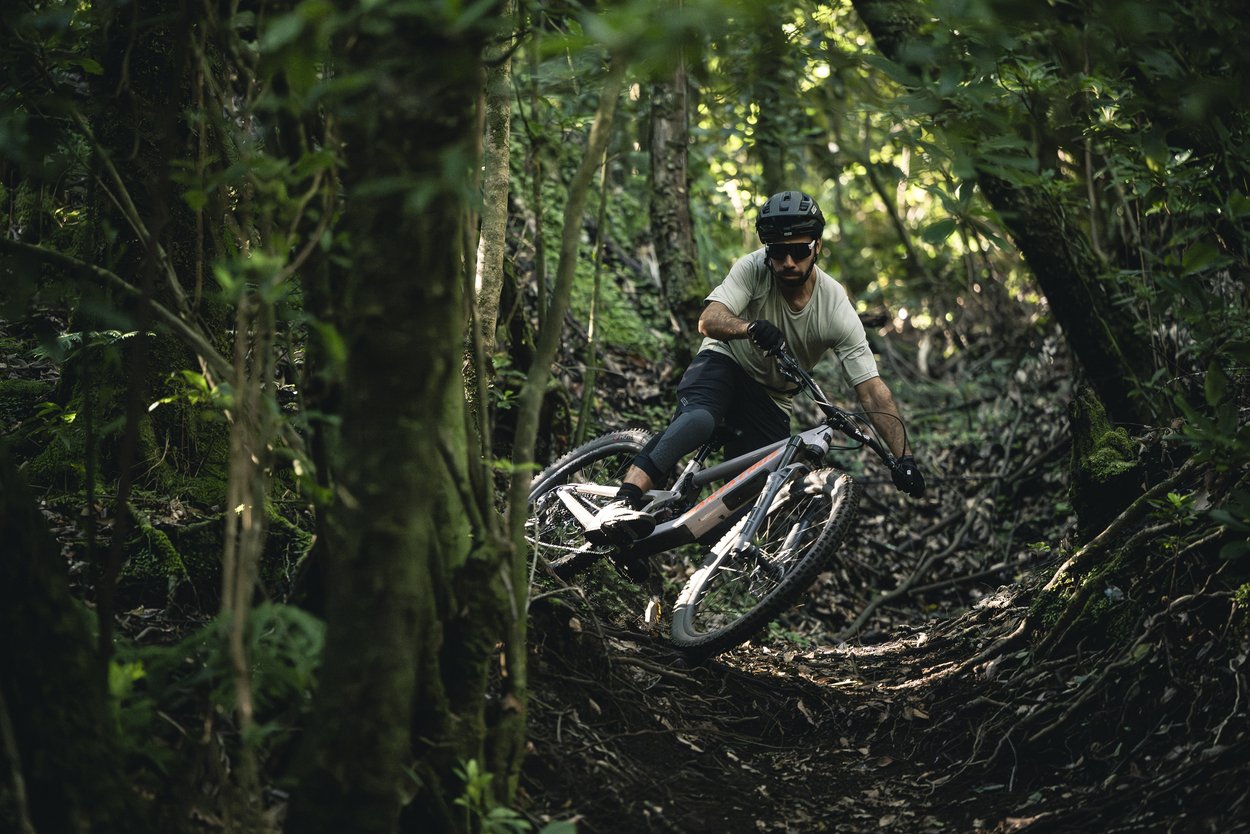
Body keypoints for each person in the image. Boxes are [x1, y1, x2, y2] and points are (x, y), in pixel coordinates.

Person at [593, 189, 926, 546]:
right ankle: (621, 502)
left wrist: (902, 458)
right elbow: (710, 319)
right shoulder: (753, 268)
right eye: (777, 252)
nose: (788, 262)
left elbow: (871, 388)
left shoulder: (835, 307)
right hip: (724, 362)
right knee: (698, 421)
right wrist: (747, 328)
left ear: (817, 247)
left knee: (742, 507)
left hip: (771, 396)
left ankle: (642, 547)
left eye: (798, 251)